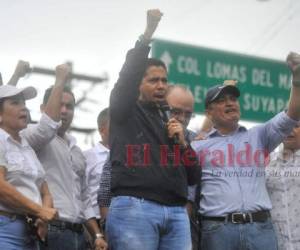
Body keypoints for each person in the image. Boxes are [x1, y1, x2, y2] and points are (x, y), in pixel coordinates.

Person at [106, 9, 200, 250]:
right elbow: (127, 76)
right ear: (139, 83)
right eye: (153, 80)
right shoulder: (124, 109)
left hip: (176, 213)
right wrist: (147, 35)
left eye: (164, 80)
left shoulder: (170, 119)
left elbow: (194, 177)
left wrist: (183, 144)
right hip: (135, 208)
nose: (161, 85)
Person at [191, 52, 300, 250]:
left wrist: (297, 80)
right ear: (209, 112)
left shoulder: (259, 135)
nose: (230, 103)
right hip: (218, 232)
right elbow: (188, 193)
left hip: (260, 230)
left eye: (233, 99)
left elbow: (292, 114)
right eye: (222, 100)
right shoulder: (197, 146)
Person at [28, 81, 107, 250]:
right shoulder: (32, 136)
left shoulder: (77, 151)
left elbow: (85, 198)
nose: (64, 110)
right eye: (59, 105)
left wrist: (97, 235)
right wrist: (60, 78)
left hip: (79, 234)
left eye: (69, 106)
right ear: (43, 108)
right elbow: (45, 129)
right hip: (49, 229)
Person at [0, 84, 58, 249]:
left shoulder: (27, 147)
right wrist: (40, 211)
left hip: (30, 232)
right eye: (15, 103)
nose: (23, 107)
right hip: (4, 230)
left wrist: (43, 216)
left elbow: (45, 191)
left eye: (24, 103)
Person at [266, 124, 300, 249]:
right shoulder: (268, 164)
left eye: (296, 126)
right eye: (284, 127)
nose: (289, 130)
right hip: (276, 243)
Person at [84, 108, 109, 220]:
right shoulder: (87, 157)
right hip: (96, 221)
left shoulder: (128, 156)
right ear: (102, 130)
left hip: (124, 222)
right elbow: (80, 192)